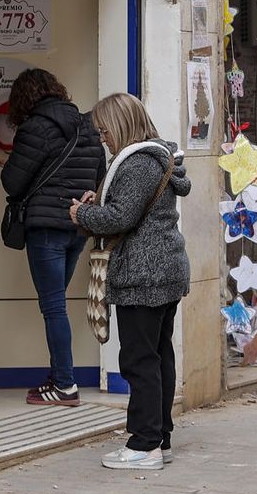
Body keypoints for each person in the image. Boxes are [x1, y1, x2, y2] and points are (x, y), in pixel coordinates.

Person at [68, 93, 190, 471]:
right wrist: (100, 203)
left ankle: (144, 444)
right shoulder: (156, 157)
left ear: (121, 126)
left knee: (139, 361)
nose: (103, 139)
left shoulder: (137, 163)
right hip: (163, 271)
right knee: (158, 356)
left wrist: (82, 213)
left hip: (143, 275)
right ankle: (160, 438)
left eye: (105, 131)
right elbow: (128, 208)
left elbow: (121, 218)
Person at [0, 69, 106, 407]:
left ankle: (64, 385)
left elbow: (12, 182)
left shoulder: (35, 128)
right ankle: (59, 375)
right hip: (78, 227)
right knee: (56, 303)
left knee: (53, 307)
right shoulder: (89, 127)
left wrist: (10, 164)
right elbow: (100, 178)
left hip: (46, 228)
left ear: (23, 98)